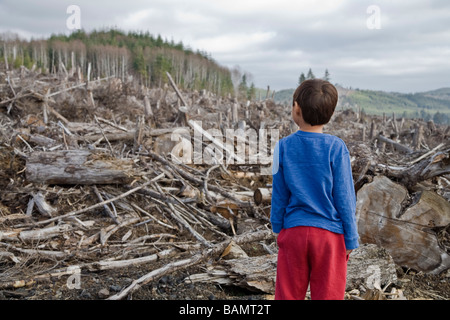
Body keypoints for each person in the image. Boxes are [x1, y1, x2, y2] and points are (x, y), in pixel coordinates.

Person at [270, 78, 359, 300]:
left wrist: (277, 227)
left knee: (287, 295)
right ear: (330, 113)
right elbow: (345, 197)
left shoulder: (282, 147)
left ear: (296, 109)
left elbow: (279, 193)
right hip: (329, 237)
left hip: (294, 233)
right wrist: (351, 238)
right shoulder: (337, 148)